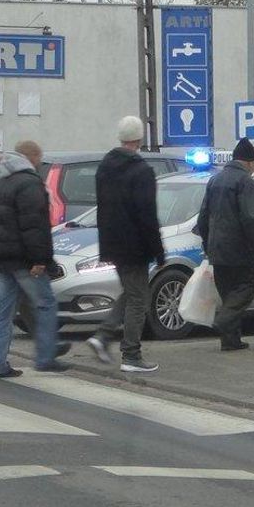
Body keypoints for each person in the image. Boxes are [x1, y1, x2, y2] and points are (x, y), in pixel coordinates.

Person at [0, 141, 71, 378]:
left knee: (4, 312)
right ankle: (45, 357)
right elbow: (35, 227)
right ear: (30, 157)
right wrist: (40, 259)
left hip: (2, 261)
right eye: (39, 157)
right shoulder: (30, 184)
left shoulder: (1, 182)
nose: (40, 162)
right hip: (23, 260)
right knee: (46, 303)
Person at [86, 116, 164, 373]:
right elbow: (147, 214)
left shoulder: (104, 168)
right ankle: (131, 354)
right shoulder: (141, 171)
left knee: (132, 292)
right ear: (139, 139)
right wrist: (158, 249)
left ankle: (103, 336)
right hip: (135, 244)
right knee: (139, 299)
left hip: (113, 243)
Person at [196, 137, 254, 351]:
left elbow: (203, 217)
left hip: (217, 248)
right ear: (249, 162)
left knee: (228, 292)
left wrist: (207, 244)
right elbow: (250, 218)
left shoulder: (215, 180)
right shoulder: (245, 181)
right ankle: (224, 320)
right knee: (248, 285)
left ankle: (230, 340)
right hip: (239, 248)